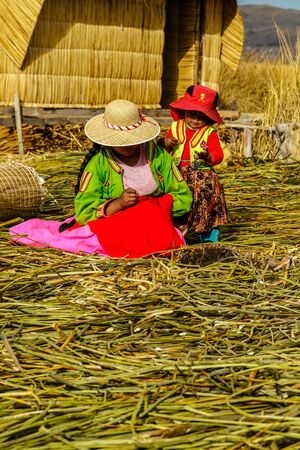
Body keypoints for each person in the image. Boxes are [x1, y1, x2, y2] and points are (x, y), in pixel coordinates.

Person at [9, 99, 192, 259]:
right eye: (120, 142)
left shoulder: (158, 157)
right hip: (114, 224)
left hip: (156, 221)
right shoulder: (98, 165)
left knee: (156, 221)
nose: (127, 147)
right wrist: (118, 204)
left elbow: (183, 196)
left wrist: (156, 207)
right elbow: (84, 211)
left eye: (132, 140)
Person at [161, 84, 228, 243]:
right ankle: (175, 231)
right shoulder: (176, 127)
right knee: (169, 196)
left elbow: (218, 154)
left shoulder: (209, 133)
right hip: (176, 172)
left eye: (202, 117)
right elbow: (162, 149)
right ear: (184, 111)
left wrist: (209, 156)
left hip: (201, 176)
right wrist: (166, 142)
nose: (196, 120)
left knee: (207, 196)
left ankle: (208, 234)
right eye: (192, 114)